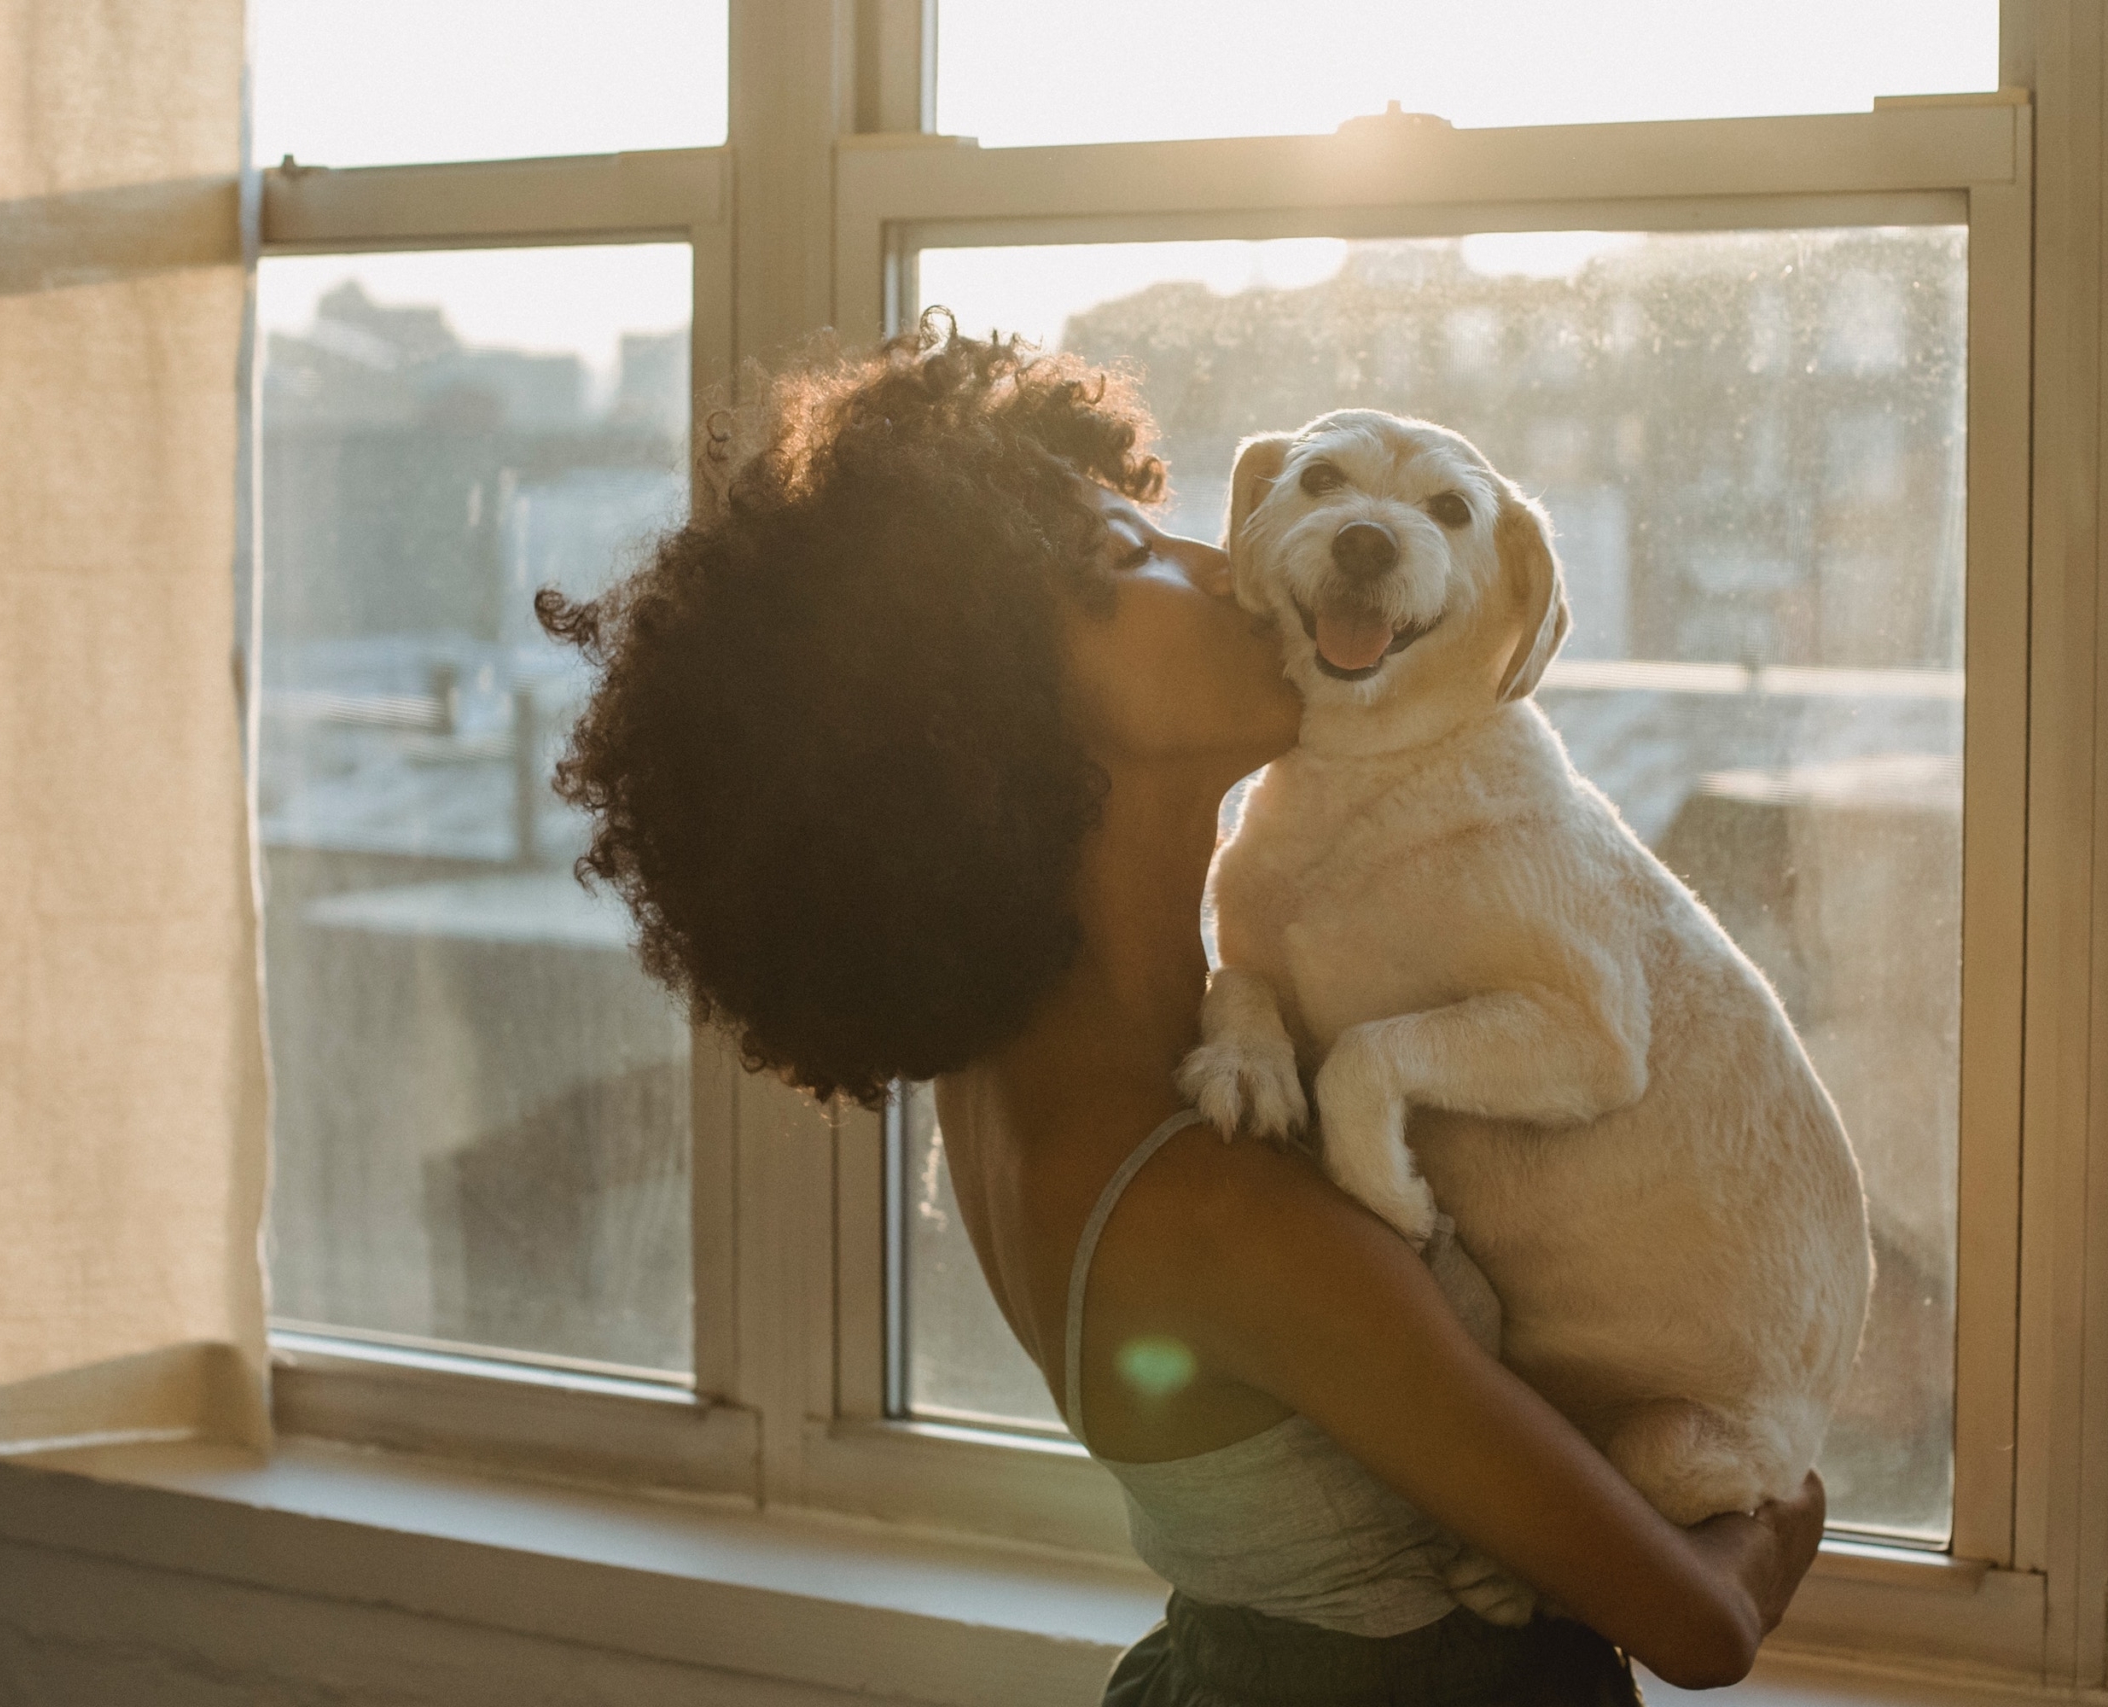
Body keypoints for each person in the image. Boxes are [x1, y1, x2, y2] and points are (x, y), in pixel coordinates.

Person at [540, 314, 1825, 1704]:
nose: (1217, 562)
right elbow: (1699, 1629)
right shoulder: (1224, 1218)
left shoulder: (1034, 1074)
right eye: (1128, 558)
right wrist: (1781, 1511)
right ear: (985, 709)